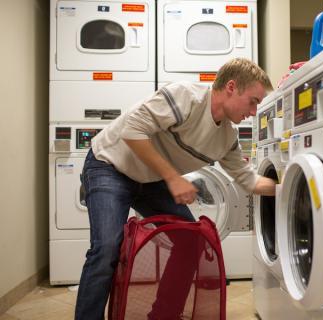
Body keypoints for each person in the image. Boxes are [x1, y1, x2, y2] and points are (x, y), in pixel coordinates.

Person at [75, 58, 276, 320]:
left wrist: (293, 186)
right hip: (109, 165)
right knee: (107, 248)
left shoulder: (227, 137)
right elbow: (131, 129)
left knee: (191, 242)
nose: (253, 111)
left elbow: (250, 181)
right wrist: (172, 178)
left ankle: (163, 315)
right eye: (253, 101)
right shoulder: (186, 97)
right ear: (231, 87)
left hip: (150, 179)